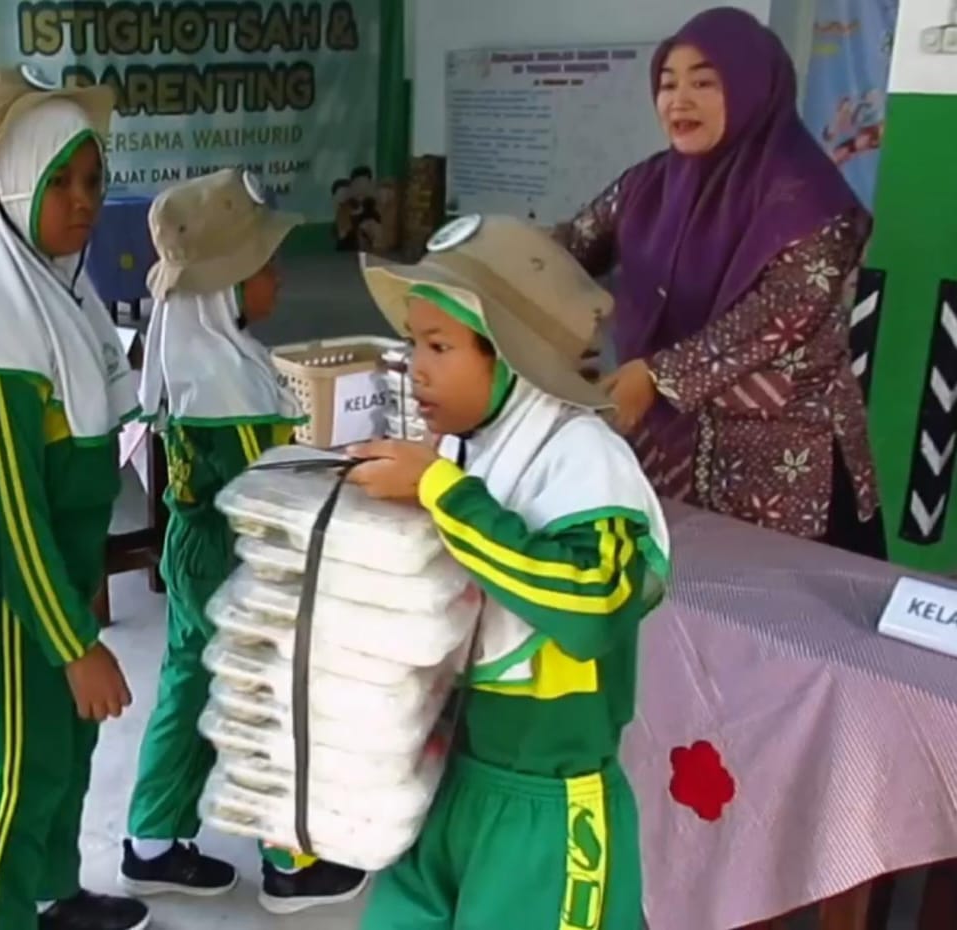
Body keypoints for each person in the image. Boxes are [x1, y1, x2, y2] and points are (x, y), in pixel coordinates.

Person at [348, 214, 671, 930]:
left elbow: (593, 608)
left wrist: (441, 492)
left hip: (549, 807)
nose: (416, 368)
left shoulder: (586, 462)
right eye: (412, 345)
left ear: (513, 354)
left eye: (438, 346)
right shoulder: (472, 449)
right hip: (455, 778)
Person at [0, 65, 148, 930]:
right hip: (17, 595)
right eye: (64, 183)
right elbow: (10, 516)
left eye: (94, 180)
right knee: (25, 763)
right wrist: (73, 642)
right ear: (13, 185)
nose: (87, 201)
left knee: (71, 747)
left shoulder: (56, 290)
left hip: (62, 569)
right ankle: (0, 916)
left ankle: (54, 893)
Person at [117, 167, 370, 912]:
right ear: (224, 288)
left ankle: (152, 841)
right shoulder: (230, 388)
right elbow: (276, 489)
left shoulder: (205, 364)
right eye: (265, 269)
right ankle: (289, 863)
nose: (280, 281)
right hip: (240, 560)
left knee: (191, 687)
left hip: (201, 553)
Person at [555, 6, 882, 556]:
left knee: (785, 621)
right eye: (667, 84)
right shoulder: (648, 185)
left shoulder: (814, 203)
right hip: (662, 445)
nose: (679, 100)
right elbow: (570, 247)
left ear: (754, 87)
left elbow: (774, 319)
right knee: (676, 598)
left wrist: (657, 376)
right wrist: (491, 260)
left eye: (704, 83)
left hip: (783, 467)